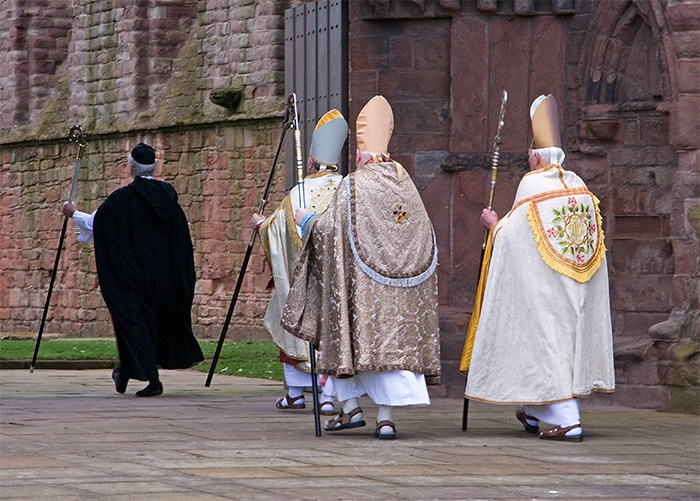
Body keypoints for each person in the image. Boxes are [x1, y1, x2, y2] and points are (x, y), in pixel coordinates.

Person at [281, 96, 441, 440]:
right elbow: (423, 231)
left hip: (364, 294)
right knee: (392, 359)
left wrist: (306, 219)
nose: (354, 158)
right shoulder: (406, 184)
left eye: (357, 153)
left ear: (364, 155)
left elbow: (329, 231)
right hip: (403, 297)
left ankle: (352, 409)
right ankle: (385, 419)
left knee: (347, 340)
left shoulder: (355, 184)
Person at [460, 94, 615, 442]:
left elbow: (516, 236)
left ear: (534, 157)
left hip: (544, 288)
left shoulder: (532, 185)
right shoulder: (578, 186)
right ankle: (530, 411)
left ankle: (569, 420)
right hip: (578, 287)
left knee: (545, 344)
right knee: (558, 346)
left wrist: (495, 225)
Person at [62, 142, 204, 397]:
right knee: (147, 323)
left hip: (134, 278)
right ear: (154, 166)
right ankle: (126, 371)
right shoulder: (170, 200)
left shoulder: (122, 199)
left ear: (131, 168)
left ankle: (151, 378)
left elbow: (97, 223)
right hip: (165, 279)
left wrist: (73, 213)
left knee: (133, 322)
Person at [249, 109, 348, 414]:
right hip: (337, 277)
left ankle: (295, 393)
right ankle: (330, 395)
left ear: (314, 160)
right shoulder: (348, 188)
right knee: (336, 328)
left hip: (302, 277)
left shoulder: (300, 192)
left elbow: (279, 230)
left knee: (285, 309)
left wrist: (261, 225)